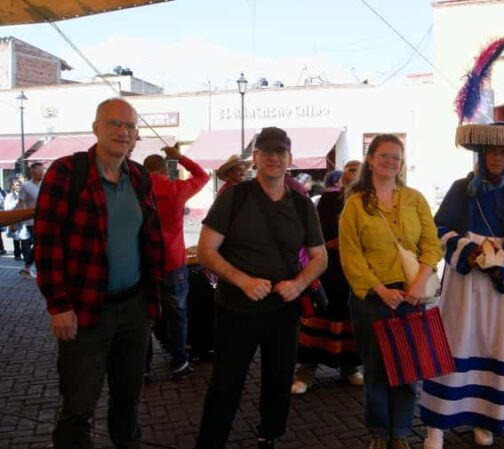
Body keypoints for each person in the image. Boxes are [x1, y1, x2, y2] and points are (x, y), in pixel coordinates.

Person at [34, 97, 164, 448]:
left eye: (129, 126)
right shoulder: (67, 173)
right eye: (114, 123)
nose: (123, 131)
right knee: (78, 407)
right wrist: (59, 306)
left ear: (136, 134)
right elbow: (46, 243)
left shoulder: (139, 177)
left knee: (128, 399)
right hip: (85, 310)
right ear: (95, 128)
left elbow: (150, 239)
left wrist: (153, 297)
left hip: (134, 307)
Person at [194, 126, 327, 449]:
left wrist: (299, 284)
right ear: (255, 157)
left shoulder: (302, 205)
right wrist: (243, 280)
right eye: (266, 151)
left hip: (284, 309)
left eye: (280, 152)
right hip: (236, 309)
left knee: (279, 380)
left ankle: (269, 436)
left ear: (289, 159)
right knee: (226, 382)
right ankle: (211, 443)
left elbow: (320, 257)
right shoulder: (234, 198)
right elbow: (205, 251)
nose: (273, 158)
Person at [420, 124, 504, 448]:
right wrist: (467, 250)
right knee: (453, 343)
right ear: (481, 155)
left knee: (492, 346)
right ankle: (436, 425)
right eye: (491, 151)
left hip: (497, 288)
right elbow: (438, 229)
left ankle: (484, 418)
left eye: (503, 152)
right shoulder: (461, 188)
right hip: (462, 283)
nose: (497, 158)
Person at [339, 134, 443, 449]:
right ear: (371, 160)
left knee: (407, 370)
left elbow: (432, 244)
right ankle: (379, 433)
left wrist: (419, 283)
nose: (390, 161)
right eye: (384, 155)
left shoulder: (415, 199)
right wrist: (380, 290)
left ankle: (400, 433)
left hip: (412, 297)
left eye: (396, 157)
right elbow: (351, 254)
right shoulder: (355, 204)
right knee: (375, 371)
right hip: (372, 300)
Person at [292, 160, 363, 395]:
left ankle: (350, 368)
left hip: (356, 271)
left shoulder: (368, 200)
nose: (353, 173)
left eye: (358, 169)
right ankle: (306, 371)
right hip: (328, 268)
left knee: (350, 316)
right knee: (319, 314)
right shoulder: (329, 199)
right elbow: (317, 234)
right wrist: (334, 244)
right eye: (349, 169)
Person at [143, 145, 210, 380]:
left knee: (143, 316)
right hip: (173, 261)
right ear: (164, 169)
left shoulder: (136, 189)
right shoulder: (175, 189)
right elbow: (202, 176)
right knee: (177, 314)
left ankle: (144, 368)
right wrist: (179, 157)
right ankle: (179, 362)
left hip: (144, 262)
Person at [18, 161, 44, 279]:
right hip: (31, 221)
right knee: (39, 244)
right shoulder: (26, 186)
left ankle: (27, 268)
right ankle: (27, 268)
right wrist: (18, 219)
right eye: (38, 171)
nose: (41, 173)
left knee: (40, 245)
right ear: (32, 172)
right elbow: (20, 203)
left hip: (45, 220)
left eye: (42, 171)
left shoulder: (45, 184)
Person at [5, 180, 22, 260]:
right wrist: (16, 202)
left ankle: (24, 253)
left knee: (26, 238)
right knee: (16, 238)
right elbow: (7, 208)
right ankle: (17, 255)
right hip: (15, 220)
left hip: (23, 219)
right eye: (17, 185)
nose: (19, 187)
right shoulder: (10, 196)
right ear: (13, 187)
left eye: (20, 185)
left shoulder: (23, 194)